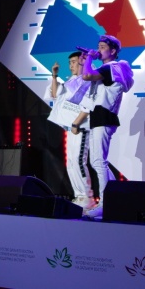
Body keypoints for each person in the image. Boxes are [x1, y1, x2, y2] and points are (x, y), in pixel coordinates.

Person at [71, 35, 134, 218]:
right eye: (97, 46)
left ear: (113, 51)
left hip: (104, 117)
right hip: (99, 117)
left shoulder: (111, 68)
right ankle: (115, 199)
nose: (98, 50)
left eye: (102, 47)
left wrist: (90, 58)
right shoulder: (109, 69)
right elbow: (86, 79)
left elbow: (87, 76)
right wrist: (86, 61)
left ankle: (105, 204)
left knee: (99, 162)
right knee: (97, 162)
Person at [44, 52, 95, 212]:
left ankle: (87, 197)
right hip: (71, 127)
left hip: (81, 126)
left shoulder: (88, 81)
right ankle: (79, 196)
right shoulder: (71, 81)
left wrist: (76, 123)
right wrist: (54, 76)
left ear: (82, 62)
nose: (71, 65)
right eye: (70, 62)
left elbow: (88, 105)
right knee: (71, 162)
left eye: (73, 62)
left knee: (79, 161)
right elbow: (54, 94)